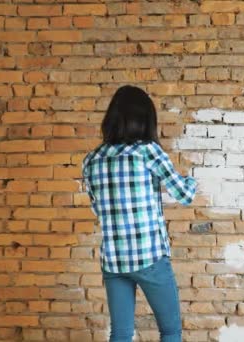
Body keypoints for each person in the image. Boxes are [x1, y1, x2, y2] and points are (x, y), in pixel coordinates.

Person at [81, 85, 197, 342]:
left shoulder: (91, 160)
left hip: (114, 261)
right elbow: (184, 195)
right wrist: (192, 179)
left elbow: (97, 209)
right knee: (170, 331)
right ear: (146, 119)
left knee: (120, 333)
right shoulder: (147, 151)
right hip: (150, 258)